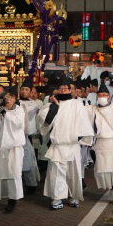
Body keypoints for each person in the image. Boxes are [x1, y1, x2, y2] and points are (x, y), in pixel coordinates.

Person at [37, 76, 94, 210]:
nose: (63, 90)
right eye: (61, 88)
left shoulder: (77, 104)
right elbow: (44, 123)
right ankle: (57, 198)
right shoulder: (52, 105)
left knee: (73, 174)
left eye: (65, 88)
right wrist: (53, 107)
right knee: (56, 174)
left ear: (70, 90)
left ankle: (73, 196)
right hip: (57, 146)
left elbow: (84, 123)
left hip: (72, 145)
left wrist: (76, 137)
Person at [0, 85, 25, 213]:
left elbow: (18, 124)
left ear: (15, 99)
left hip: (14, 148)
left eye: (11, 97)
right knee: (3, 171)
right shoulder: (2, 109)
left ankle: (13, 199)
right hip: (2, 146)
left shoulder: (19, 111)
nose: (8, 99)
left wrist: (5, 114)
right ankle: (4, 196)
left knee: (13, 173)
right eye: (6, 97)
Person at [18, 77, 40, 195]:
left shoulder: (33, 104)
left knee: (29, 161)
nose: (24, 92)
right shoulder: (16, 102)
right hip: (16, 136)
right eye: (22, 89)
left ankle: (31, 184)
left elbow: (26, 112)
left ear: (30, 92)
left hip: (26, 136)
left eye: (27, 90)